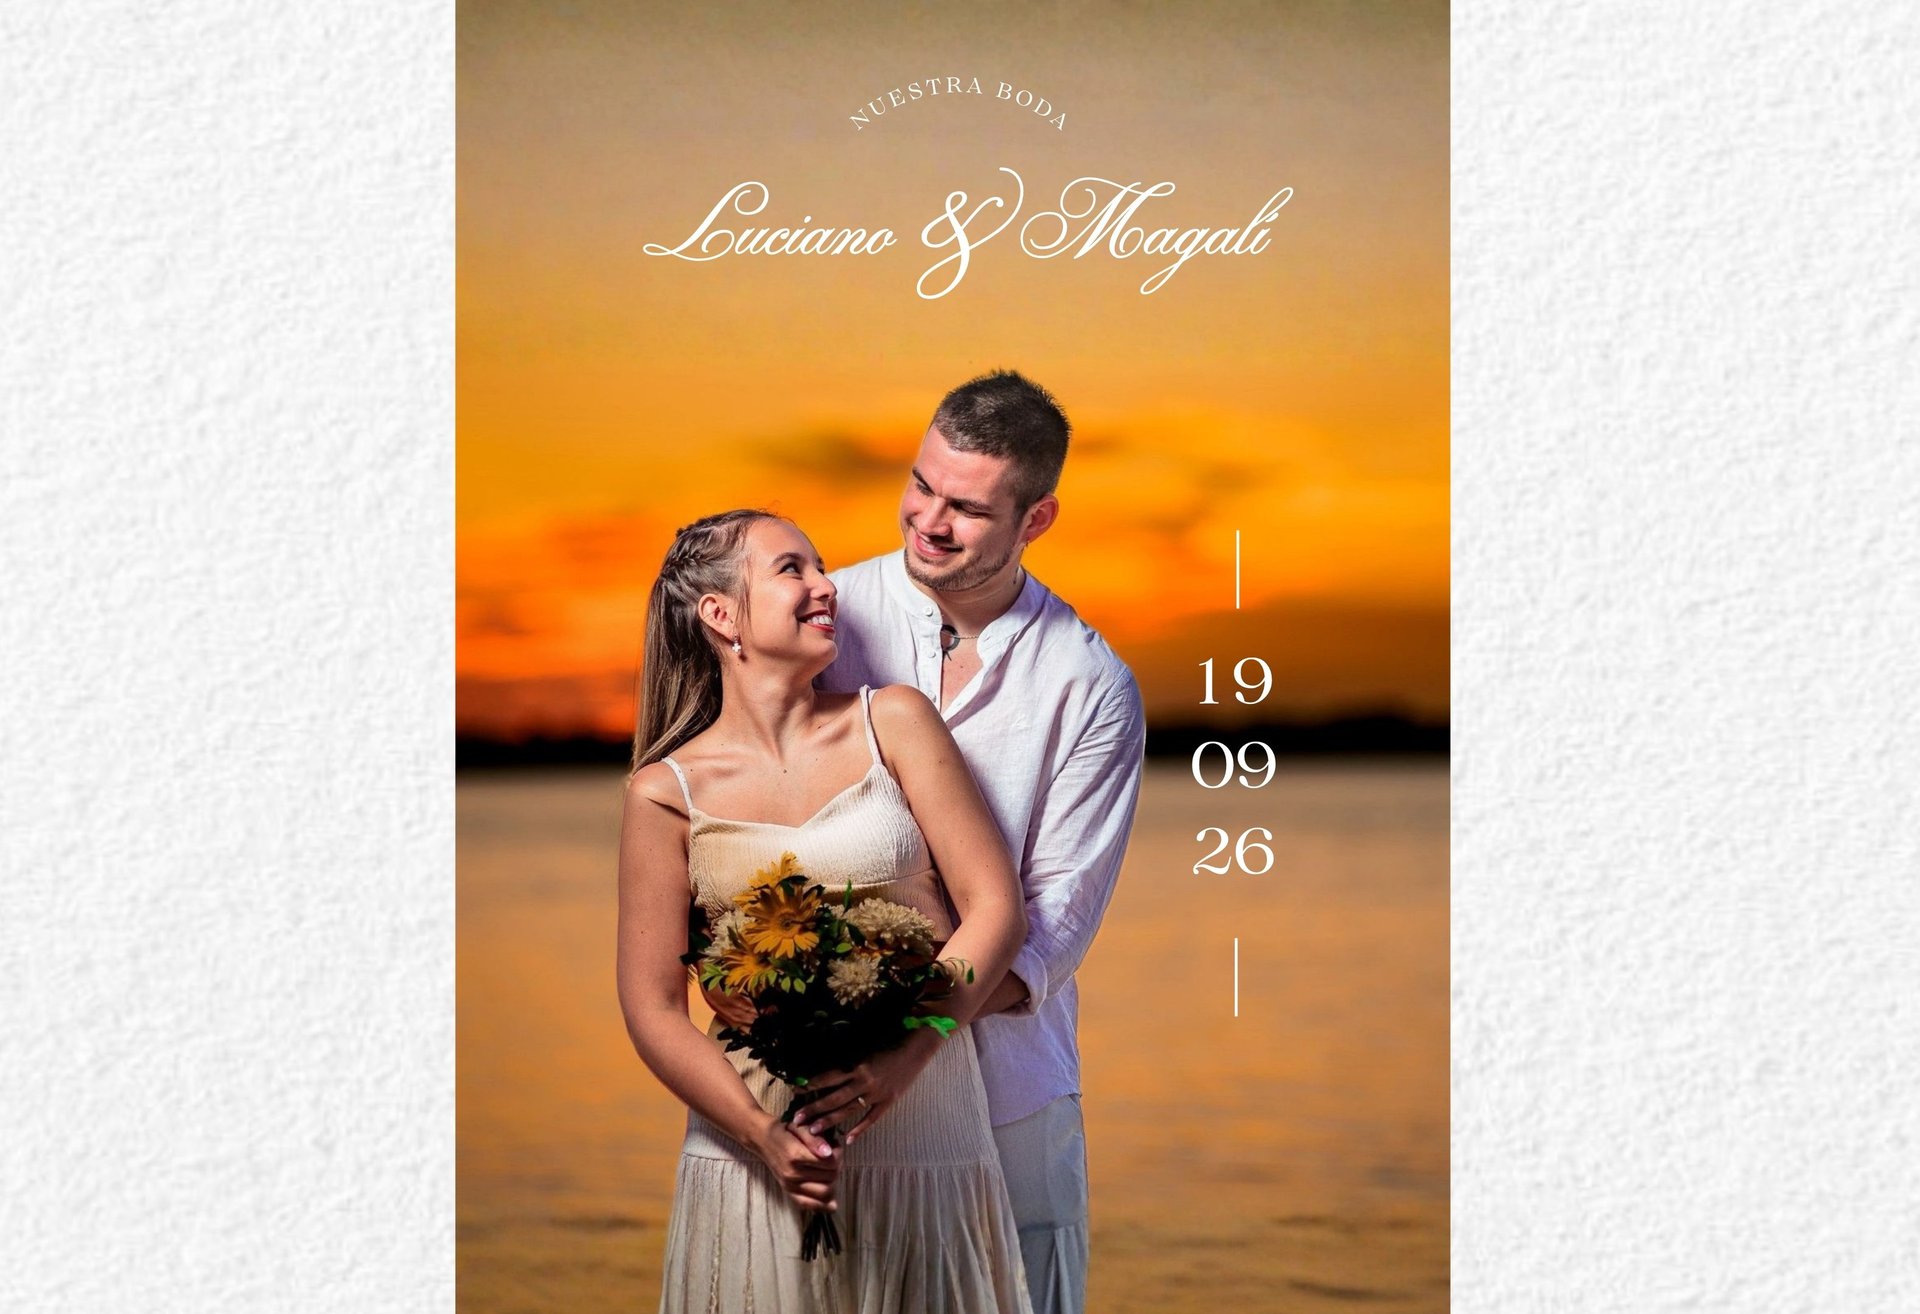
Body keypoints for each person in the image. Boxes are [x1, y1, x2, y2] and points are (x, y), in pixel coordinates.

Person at [616, 509, 1035, 1313]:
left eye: (821, 566)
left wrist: (900, 1062)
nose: (824, 586)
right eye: (792, 569)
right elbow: (653, 1008)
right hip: (754, 1158)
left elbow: (995, 910)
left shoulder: (895, 722)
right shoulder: (665, 793)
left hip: (925, 1128)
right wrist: (763, 1135)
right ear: (721, 614)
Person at [814, 370, 1146, 1314]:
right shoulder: (821, 617)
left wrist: (900, 1049)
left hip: (1011, 1096)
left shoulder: (1090, 685)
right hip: (825, 1089)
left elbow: (1048, 935)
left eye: (965, 507)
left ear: (1036, 520)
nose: (927, 520)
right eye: (921, 484)